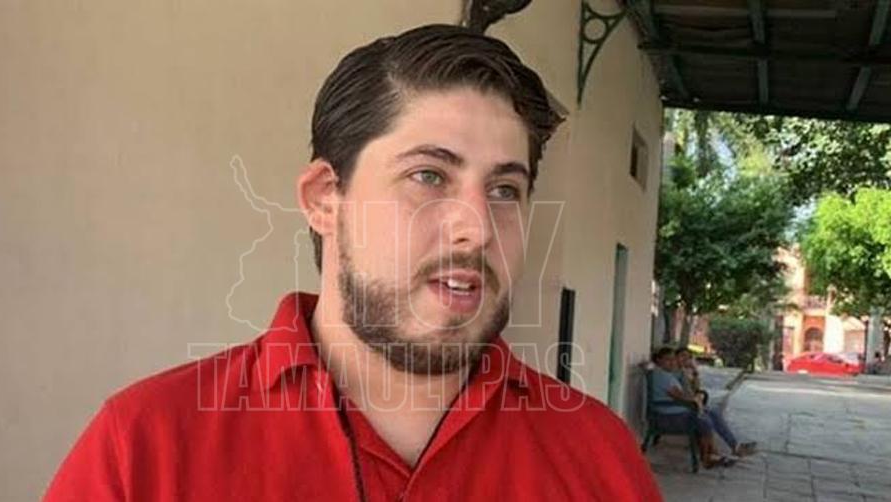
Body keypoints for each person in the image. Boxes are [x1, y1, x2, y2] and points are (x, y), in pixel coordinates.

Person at [43, 25, 662, 501]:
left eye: (504, 189)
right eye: (428, 176)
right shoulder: (145, 448)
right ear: (324, 199)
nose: (476, 227)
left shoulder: (600, 459)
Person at [651, 348, 755, 468]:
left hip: (680, 409)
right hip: (670, 415)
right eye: (668, 360)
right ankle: (709, 456)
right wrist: (695, 400)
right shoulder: (663, 376)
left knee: (712, 413)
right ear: (659, 360)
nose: (672, 362)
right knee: (705, 420)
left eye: (673, 359)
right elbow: (680, 396)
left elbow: (693, 389)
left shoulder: (669, 373)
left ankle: (724, 450)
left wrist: (694, 379)